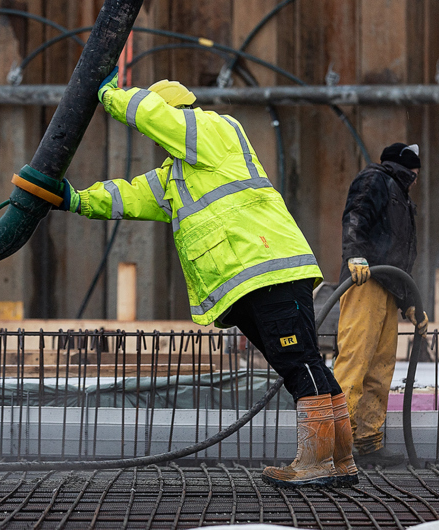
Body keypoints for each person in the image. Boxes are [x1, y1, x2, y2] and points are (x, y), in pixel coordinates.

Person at [48, 69, 357, 487]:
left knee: (297, 360)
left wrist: (108, 95)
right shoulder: (179, 174)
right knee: (300, 360)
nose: (158, 140)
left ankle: (318, 463)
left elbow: (153, 117)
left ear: (172, 112)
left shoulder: (213, 129)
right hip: (251, 279)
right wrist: (77, 200)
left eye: (162, 127)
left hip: (268, 267)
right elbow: (132, 195)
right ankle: (338, 460)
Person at [334, 142, 428, 468]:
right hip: (365, 282)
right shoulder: (375, 180)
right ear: (406, 169)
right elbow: (355, 215)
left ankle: (368, 442)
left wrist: (409, 302)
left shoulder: (400, 196)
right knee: (355, 365)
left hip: (387, 288)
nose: (415, 179)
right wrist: (354, 255)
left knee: (380, 368)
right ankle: (335, 447)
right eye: (414, 173)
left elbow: (401, 257)